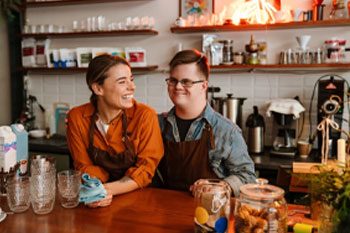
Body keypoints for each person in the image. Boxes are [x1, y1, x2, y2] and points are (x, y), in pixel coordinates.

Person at [66, 54, 164, 207]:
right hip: (98, 201)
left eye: (131, 79)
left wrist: (102, 190)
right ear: (98, 88)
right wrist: (96, 192)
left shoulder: (145, 116)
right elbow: (83, 166)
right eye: (122, 82)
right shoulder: (77, 117)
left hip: (141, 200)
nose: (132, 87)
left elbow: (145, 170)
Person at [156, 49, 256, 197]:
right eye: (173, 80)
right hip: (164, 212)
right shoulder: (157, 124)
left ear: (203, 85)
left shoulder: (227, 131)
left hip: (211, 214)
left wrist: (224, 186)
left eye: (186, 82)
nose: (177, 87)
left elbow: (248, 177)